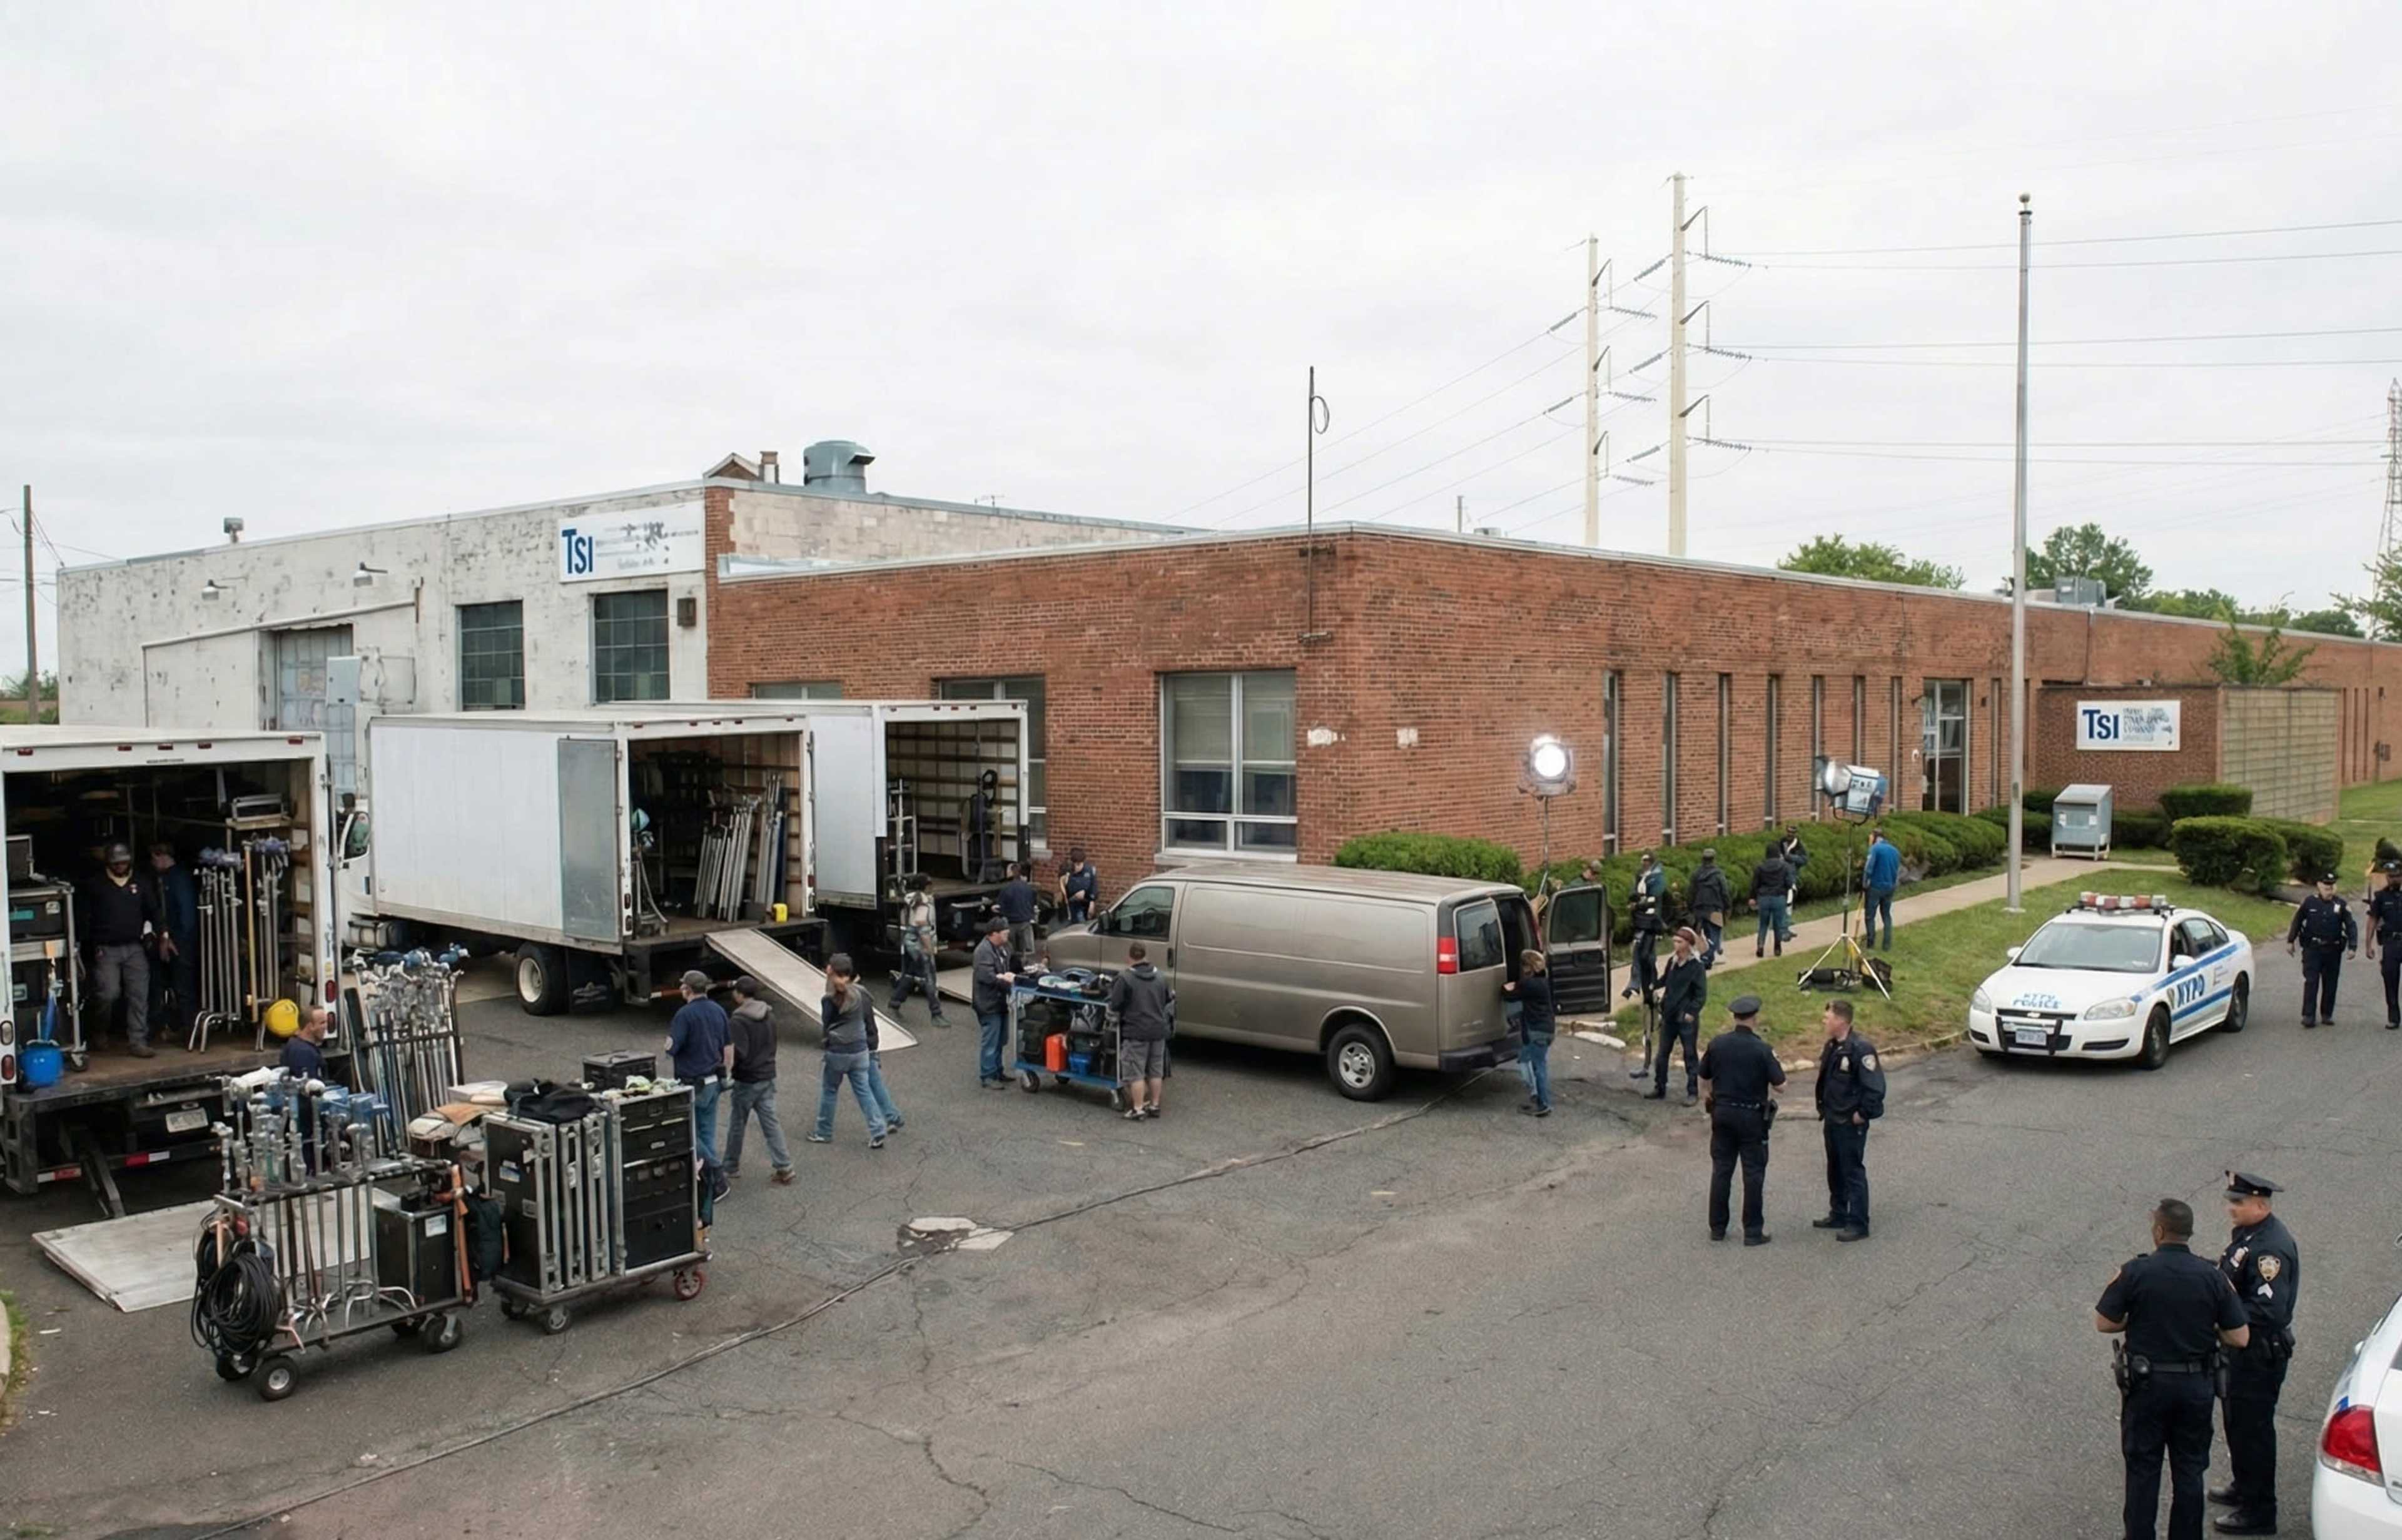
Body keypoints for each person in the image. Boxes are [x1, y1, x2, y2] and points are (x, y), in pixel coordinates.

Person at [2096, 1198, 2250, 1540]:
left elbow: (2104, 1322)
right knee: (2190, 1471)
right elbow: (2240, 1337)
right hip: (2195, 1387)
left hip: (2147, 1387)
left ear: (2160, 1231)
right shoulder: (2213, 1276)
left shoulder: (2136, 1272)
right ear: (2188, 1234)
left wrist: (2139, 1320)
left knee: (2143, 1470)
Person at [2211, 1172, 2299, 1536]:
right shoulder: (2250, 1236)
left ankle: (2259, 1512)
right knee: (2238, 1423)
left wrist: (2223, 1320)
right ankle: (2244, 1486)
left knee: (2254, 1431)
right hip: (2241, 1350)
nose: (2230, 1208)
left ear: (2261, 1205)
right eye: (2231, 1201)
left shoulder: (2269, 1250)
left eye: (2239, 1203)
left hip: (2258, 1354)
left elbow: (2269, 1311)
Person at [1698, 995, 1785, 1245]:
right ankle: (1753, 1232)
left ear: (1733, 1017)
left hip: (1722, 1113)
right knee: (1753, 1173)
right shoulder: (1762, 1049)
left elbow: (1703, 1077)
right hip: (1751, 1117)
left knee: (1722, 1170)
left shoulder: (1717, 1044)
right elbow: (1781, 1085)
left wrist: (1709, 1097)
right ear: (1754, 1019)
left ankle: (1717, 1228)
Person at [1812, 999, 1885, 1242]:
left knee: (1852, 1170)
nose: (1825, 1021)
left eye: (1828, 1017)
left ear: (1841, 1021)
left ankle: (1858, 1223)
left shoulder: (1861, 1049)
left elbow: (1875, 1088)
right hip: (1833, 1117)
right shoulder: (1834, 1046)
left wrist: (1862, 1114)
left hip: (1850, 1122)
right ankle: (1839, 1213)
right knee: (1835, 1168)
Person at [81, 841, 161, 1058]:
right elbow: (85, 919)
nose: (120, 867)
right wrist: (90, 947)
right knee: (108, 994)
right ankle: (99, 1030)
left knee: (139, 995)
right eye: (116, 863)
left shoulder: (141, 882)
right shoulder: (96, 885)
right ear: (108, 863)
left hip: (135, 947)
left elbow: (153, 911)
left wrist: (157, 933)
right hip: (106, 949)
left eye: (124, 862)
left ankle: (138, 1040)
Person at [809, 953, 889, 1149]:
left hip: (838, 1052)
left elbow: (826, 1024)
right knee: (864, 1092)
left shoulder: (829, 1000)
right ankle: (877, 1129)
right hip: (860, 1050)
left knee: (830, 1091)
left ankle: (823, 1131)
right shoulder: (861, 994)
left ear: (831, 971)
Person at [722, 976, 793, 1185]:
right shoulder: (768, 1014)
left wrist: (729, 1069)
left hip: (747, 1079)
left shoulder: (738, 1020)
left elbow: (740, 1053)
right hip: (768, 1074)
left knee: (737, 1123)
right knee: (771, 1123)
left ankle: (730, 1166)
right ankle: (784, 1166)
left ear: (740, 995)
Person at [665, 970, 732, 1163]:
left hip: (693, 1082)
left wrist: (667, 1044)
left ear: (688, 989)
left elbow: (672, 1048)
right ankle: (710, 1176)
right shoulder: (718, 1010)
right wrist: (727, 1072)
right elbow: (728, 1046)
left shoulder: (684, 1015)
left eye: (683, 986)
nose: (680, 989)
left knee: (689, 1132)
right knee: (708, 1131)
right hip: (714, 1080)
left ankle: (713, 1167)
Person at [1110, 941, 1174, 1120]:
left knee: (1135, 1072)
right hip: (1158, 1031)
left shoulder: (1125, 978)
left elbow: (1116, 1004)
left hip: (1136, 1031)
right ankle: (1155, 1105)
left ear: (1129, 957)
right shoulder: (1160, 976)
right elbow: (1167, 1000)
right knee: (1155, 1071)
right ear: (1145, 956)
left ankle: (1138, 1109)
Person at [2285, 871, 2357, 1028]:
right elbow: (2297, 920)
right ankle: (2308, 1015)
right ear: (2319, 886)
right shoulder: (2310, 903)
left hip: (2333, 949)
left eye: (2331, 886)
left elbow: (2351, 925)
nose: (2329, 889)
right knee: (2311, 981)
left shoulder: (2341, 905)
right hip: (2313, 949)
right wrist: (2291, 941)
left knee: (2330, 983)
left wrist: (2353, 946)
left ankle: (2327, 1014)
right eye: (2326, 886)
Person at [148, 844, 200, 1045]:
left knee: (184, 986)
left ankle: (190, 1031)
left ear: (161, 856)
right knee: (167, 984)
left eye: (154, 859)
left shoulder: (179, 879)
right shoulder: (165, 879)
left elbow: (186, 914)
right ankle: (171, 1026)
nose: (153, 864)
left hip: (181, 943)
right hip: (168, 939)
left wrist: (175, 941)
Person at [1648, 927, 1707, 1102]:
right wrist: (1653, 985)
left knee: (1690, 1055)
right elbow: (1666, 980)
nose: (1676, 945)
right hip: (1669, 1015)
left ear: (1689, 944)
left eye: (1679, 942)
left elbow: (1701, 994)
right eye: (1674, 941)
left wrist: (1692, 1012)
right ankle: (1660, 1087)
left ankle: (1692, 1092)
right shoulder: (1672, 962)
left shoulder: (1696, 967)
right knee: (1662, 1054)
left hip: (1685, 1018)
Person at [888, 874, 950, 1028]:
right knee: (929, 978)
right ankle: (936, 1014)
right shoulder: (923, 902)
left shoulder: (912, 898)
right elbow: (922, 924)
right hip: (920, 944)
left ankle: (895, 1004)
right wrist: (929, 948)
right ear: (926, 886)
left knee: (909, 975)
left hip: (909, 942)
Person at [1501, 950, 1557, 1117]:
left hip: (1536, 1031)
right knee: (1533, 1062)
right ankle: (1539, 1098)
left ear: (1528, 967)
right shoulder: (1544, 982)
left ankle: (1544, 1104)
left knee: (1539, 1067)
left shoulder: (1528, 984)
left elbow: (1508, 996)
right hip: (1548, 1029)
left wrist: (1507, 987)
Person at [971, 916, 1018, 1088]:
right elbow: (986, 976)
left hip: (999, 1002)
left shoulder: (1001, 948)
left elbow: (1011, 964)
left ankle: (998, 1070)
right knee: (991, 1040)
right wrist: (1004, 979)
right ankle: (988, 1075)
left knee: (1001, 1039)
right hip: (988, 1004)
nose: (1007, 937)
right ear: (994, 934)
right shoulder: (983, 951)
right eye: (1004, 934)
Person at [1621, 852, 1667, 1001]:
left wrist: (1639, 905)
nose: (1644, 863)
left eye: (1647, 861)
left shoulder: (1658, 877)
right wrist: (1633, 900)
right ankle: (1635, 985)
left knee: (1648, 956)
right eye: (1643, 861)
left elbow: (1654, 899)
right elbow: (1635, 892)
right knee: (1639, 952)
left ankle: (1651, 983)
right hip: (1640, 921)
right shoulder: (1640, 876)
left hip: (1652, 922)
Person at [2365, 859, 2402, 1030]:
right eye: (2390, 876)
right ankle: (2394, 1017)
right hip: (2391, 943)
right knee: (2390, 979)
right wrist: (2368, 944)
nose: (2393, 880)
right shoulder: (2381, 897)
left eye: (2397, 876)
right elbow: (2373, 919)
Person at [1686, 849, 1731, 968]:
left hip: (1699, 909)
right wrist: (1728, 907)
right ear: (1713, 859)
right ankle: (1707, 958)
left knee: (1702, 936)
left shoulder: (1696, 874)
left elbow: (1691, 892)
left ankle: (1706, 959)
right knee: (1714, 936)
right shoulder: (1718, 875)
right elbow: (1725, 892)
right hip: (1715, 909)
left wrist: (1690, 907)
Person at [1860, 826, 1902, 953]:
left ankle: (1871, 944)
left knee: (1870, 916)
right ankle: (1887, 945)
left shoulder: (1875, 849)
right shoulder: (1895, 851)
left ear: (1875, 837)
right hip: (1890, 887)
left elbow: (1868, 868)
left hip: (1876, 887)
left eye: (1870, 837)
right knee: (1886, 915)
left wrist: (1864, 885)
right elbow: (1897, 869)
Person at [1750, 846, 1794, 959]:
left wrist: (1752, 897)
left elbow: (1755, 885)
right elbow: (1789, 883)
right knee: (1778, 924)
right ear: (1778, 854)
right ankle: (1777, 947)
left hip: (1764, 898)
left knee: (1763, 924)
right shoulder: (1785, 867)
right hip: (1779, 897)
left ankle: (1760, 947)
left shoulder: (1760, 867)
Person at [997, 862, 1040, 972]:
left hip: (1011, 923)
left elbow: (1001, 907)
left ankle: (1011, 970)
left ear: (1011, 873)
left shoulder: (1006, 889)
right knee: (1024, 951)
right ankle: (1024, 969)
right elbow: (1033, 904)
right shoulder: (1028, 888)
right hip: (1025, 923)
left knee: (1011, 950)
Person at [278, 1004, 332, 1078]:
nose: (326, 1027)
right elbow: (309, 1086)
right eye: (322, 1023)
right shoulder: (304, 1052)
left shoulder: (296, 1043)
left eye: (326, 1022)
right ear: (310, 1027)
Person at [965, 769, 1001, 880]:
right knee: (980, 851)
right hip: (980, 828)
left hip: (980, 828)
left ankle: (980, 870)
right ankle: (979, 870)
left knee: (981, 850)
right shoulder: (979, 799)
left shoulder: (978, 798)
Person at [1058, 848, 1100, 925]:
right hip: (1073, 904)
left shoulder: (1089, 870)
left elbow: (1093, 887)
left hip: (1086, 903)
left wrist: (1092, 902)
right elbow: (1066, 887)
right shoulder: (1068, 871)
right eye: (1075, 865)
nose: (1077, 867)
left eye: (1079, 865)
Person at [1775, 826, 1810, 910]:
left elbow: (1804, 860)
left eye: (1792, 833)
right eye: (1788, 832)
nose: (1790, 834)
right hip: (1781, 868)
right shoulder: (1782, 841)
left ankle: (1789, 907)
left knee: (1791, 888)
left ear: (1795, 834)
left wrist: (1791, 858)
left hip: (1793, 870)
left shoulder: (1799, 845)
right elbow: (1777, 852)